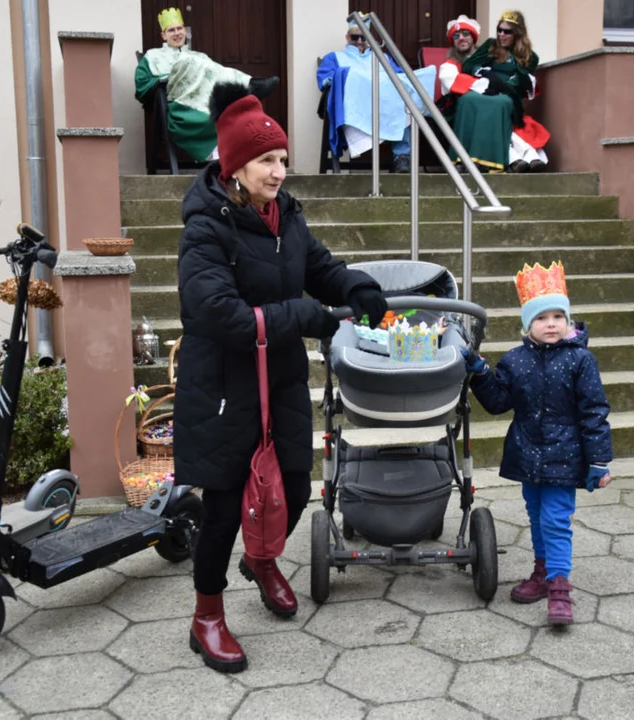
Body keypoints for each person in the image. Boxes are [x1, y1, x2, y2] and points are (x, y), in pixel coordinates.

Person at [175, 81, 388, 673]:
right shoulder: (205, 227)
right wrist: (303, 316)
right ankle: (208, 616)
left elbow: (315, 264)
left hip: (283, 376)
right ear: (236, 165)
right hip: (223, 385)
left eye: (283, 159)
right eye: (267, 160)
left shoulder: (284, 214)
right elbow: (216, 312)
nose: (279, 171)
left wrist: (355, 287)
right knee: (221, 510)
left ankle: (263, 559)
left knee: (293, 488)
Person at [461, 261, 612, 625]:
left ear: (569, 322)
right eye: (542, 317)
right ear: (527, 325)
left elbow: (594, 411)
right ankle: (542, 572)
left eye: (559, 316)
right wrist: (480, 373)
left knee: (556, 519)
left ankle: (560, 586)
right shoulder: (516, 360)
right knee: (537, 516)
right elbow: (499, 402)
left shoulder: (581, 361)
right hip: (528, 453)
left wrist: (599, 460)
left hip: (567, 454)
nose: (551, 324)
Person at [134, 7, 280, 162]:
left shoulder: (199, 56)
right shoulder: (152, 56)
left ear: (185, 31)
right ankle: (249, 87)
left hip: (206, 99)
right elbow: (142, 84)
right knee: (187, 61)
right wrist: (165, 78)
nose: (177, 33)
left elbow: (217, 76)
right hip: (178, 101)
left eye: (179, 28)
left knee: (209, 70)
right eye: (171, 30)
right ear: (163, 35)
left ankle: (247, 87)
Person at [317, 18, 437, 173]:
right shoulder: (334, 57)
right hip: (354, 108)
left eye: (364, 37)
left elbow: (401, 77)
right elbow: (326, 81)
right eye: (355, 37)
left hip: (385, 106)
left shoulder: (382, 57)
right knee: (400, 107)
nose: (360, 41)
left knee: (405, 106)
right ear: (347, 38)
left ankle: (401, 157)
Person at [439, 11, 550, 173]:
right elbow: (465, 71)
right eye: (499, 30)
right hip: (477, 96)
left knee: (499, 104)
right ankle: (467, 158)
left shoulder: (529, 56)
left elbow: (523, 79)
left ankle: (504, 159)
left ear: (517, 33)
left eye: (507, 31)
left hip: (506, 96)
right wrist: (486, 77)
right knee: (477, 102)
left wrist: (510, 83)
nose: (501, 34)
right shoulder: (488, 47)